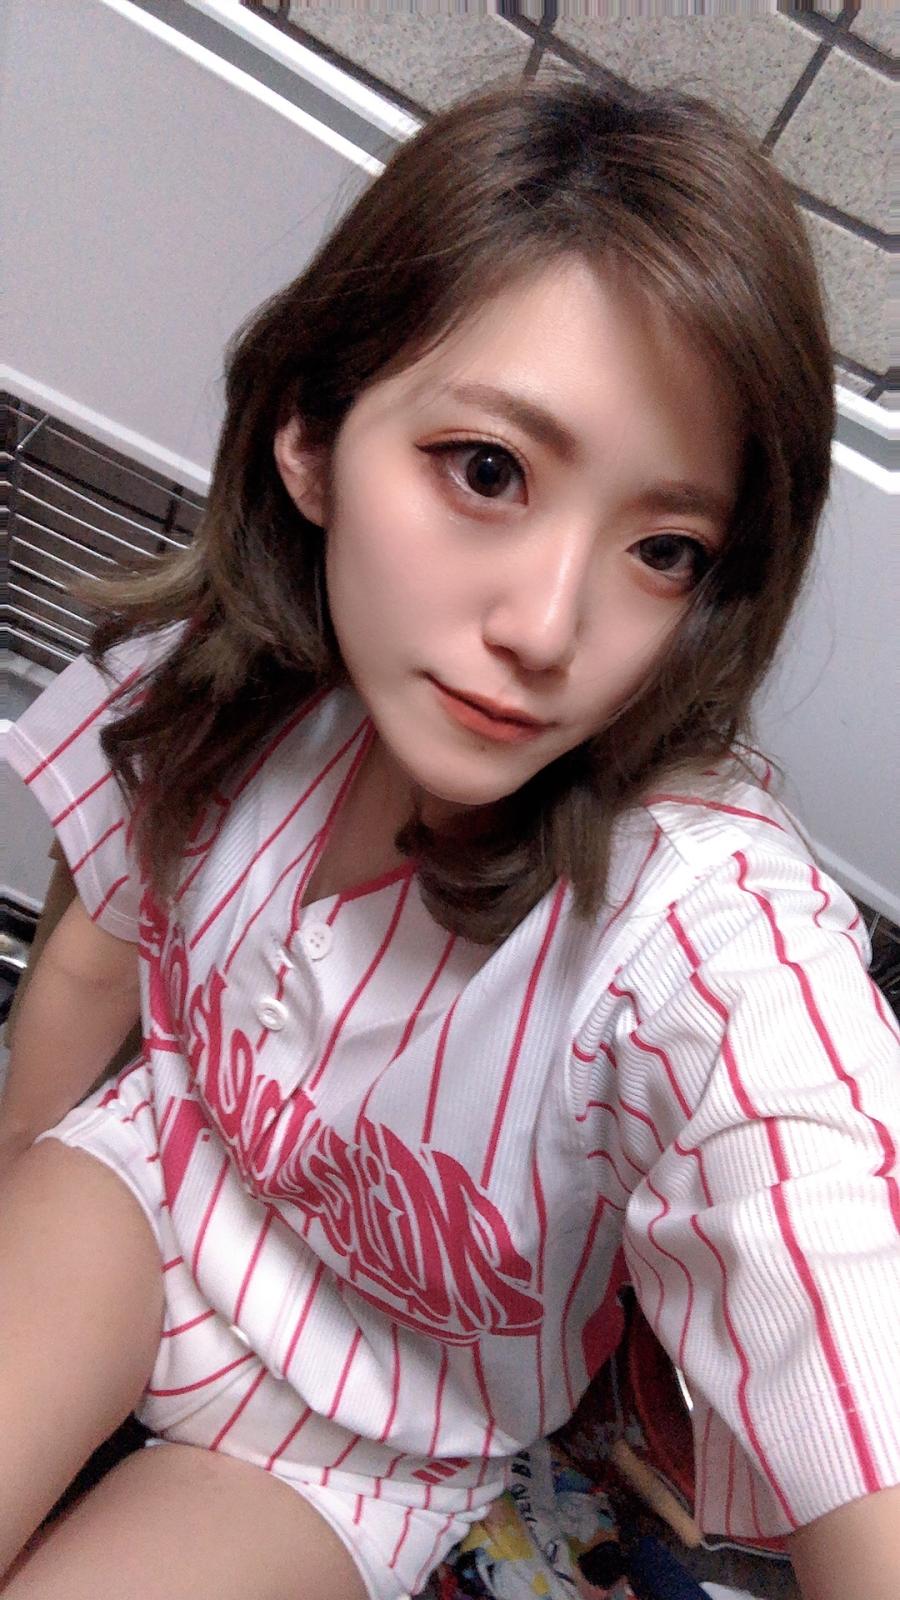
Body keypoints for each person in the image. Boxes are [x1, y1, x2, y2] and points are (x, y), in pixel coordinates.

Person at [1, 77, 897, 1600]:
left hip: (367, 1446)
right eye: (489, 471)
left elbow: (833, 1247)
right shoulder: (248, 674)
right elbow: (98, 947)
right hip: (147, 1193)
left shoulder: (697, 927)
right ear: (311, 436)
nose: (546, 628)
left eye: (663, 549)